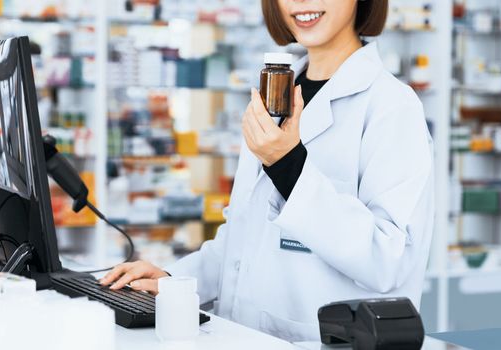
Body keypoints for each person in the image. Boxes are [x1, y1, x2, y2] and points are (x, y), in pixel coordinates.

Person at [101, 0, 434, 342]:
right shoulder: (276, 95)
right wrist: (174, 280)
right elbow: (242, 240)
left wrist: (289, 166)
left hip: (318, 339)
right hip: (244, 336)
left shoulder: (391, 106)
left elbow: (389, 260)